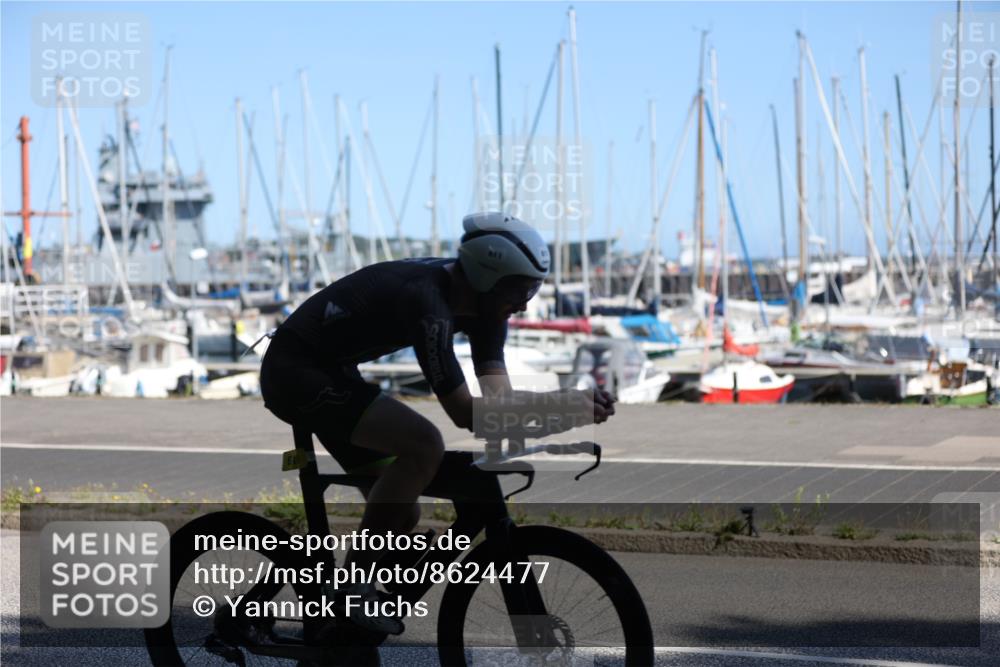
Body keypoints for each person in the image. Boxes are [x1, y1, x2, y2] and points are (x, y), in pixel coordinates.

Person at [259, 212, 615, 634]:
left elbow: (498, 403)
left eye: (533, 289)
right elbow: (466, 414)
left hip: (332, 370)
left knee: (401, 513)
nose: (525, 303)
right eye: (520, 290)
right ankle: (352, 592)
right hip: (295, 373)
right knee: (424, 445)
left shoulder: (488, 313)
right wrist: (565, 406)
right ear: (487, 278)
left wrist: (565, 411)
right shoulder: (427, 304)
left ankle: (336, 637)